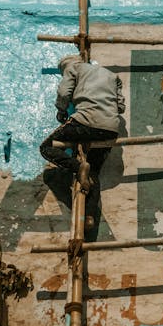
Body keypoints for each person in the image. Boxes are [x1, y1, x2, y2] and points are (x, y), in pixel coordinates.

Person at [40, 54, 125, 228]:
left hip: (85, 122)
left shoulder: (73, 68)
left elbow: (63, 93)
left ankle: (78, 167)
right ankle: (89, 216)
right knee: (93, 172)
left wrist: (61, 110)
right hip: (110, 130)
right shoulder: (112, 76)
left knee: (46, 147)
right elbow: (121, 107)